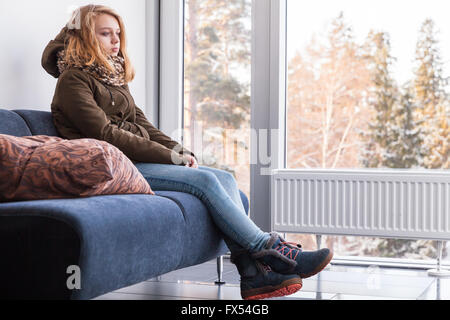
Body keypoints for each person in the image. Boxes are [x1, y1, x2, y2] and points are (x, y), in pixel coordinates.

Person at [42, 4, 333, 300]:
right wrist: (168, 157)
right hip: (112, 168)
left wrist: (179, 151)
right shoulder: (72, 81)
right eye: (105, 34)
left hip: (136, 161)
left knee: (224, 177)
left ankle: (253, 273)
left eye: (117, 33)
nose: (116, 40)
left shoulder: (113, 78)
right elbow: (105, 134)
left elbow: (142, 124)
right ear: (85, 39)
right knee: (206, 183)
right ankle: (268, 250)